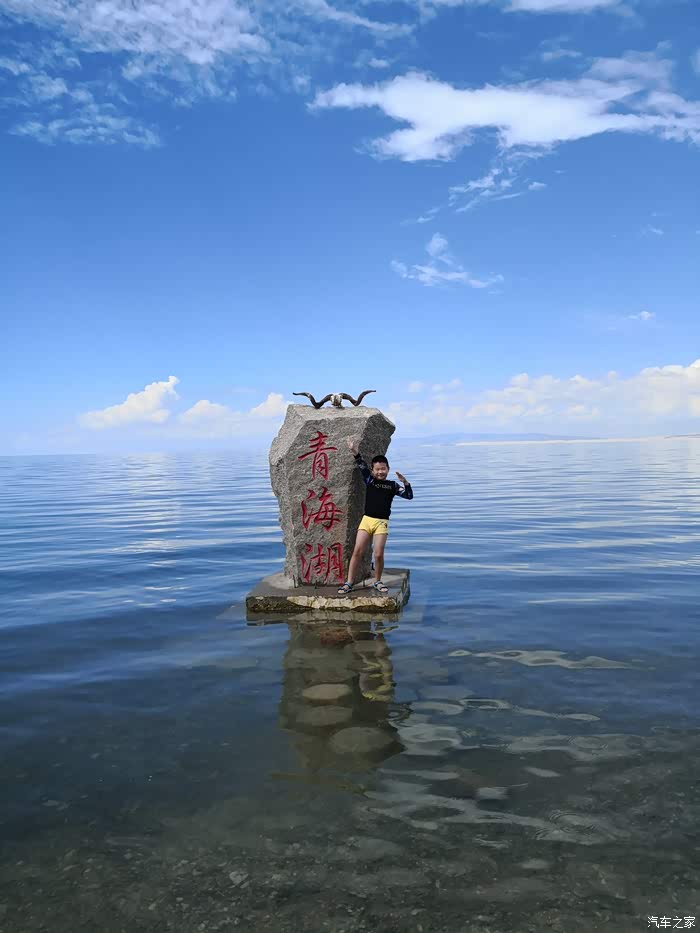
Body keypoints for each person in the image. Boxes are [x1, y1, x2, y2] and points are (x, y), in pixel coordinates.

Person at [338, 438, 413, 595]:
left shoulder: (393, 486)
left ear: (388, 469)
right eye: (377, 469)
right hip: (367, 520)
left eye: (383, 469)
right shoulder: (370, 480)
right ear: (373, 470)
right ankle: (349, 582)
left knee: (378, 554)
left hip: (381, 523)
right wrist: (354, 451)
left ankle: (377, 581)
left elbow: (408, 496)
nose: (380, 472)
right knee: (357, 551)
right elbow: (361, 465)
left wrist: (405, 482)